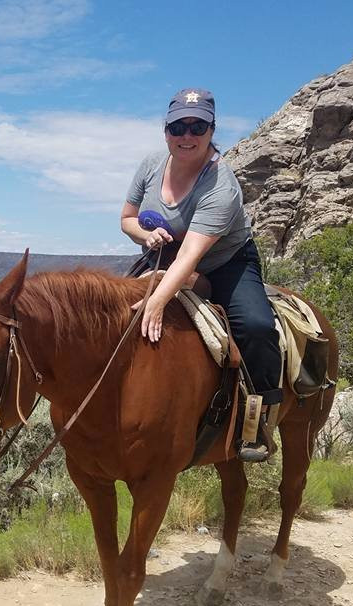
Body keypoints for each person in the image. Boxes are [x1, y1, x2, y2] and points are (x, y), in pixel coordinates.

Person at [120, 87, 282, 462]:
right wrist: (146, 235)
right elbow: (126, 220)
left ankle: (257, 421)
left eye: (197, 127)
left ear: (212, 130)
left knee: (256, 327)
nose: (187, 136)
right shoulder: (150, 165)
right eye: (178, 126)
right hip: (165, 255)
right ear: (166, 131)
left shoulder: (221, 185)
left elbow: (192, 257)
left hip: (225, 262)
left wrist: (156, 302)